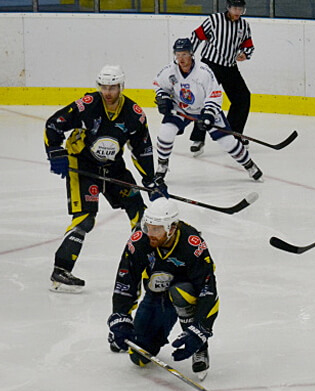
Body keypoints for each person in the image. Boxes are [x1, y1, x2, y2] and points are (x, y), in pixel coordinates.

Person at [44, 64, 163, 294]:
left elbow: (143, 148)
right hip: (83, 165)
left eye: (113, 87)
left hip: (114, 169)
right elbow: (54, 124)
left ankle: (145, 267)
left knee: (140, 211)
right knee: (86, 218)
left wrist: (151, 180)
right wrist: (55, 152)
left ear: (121, 86)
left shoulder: (134, 113)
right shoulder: (88, 104)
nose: (108, 92)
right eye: (104, 87)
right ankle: (61, 268)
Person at [107, 198, 219, 381]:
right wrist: (121, 317)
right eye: (148, 226)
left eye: (157, 229)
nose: (150, 233)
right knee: (139, 357)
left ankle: (200, 348)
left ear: (172, 228)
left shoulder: (192, 244)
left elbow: (208, 290)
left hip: (186, 295)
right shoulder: (140, 240)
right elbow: (126, 279)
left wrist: (200, 330)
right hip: (156, 296)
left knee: (181, 291)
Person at [153, 38, 262, 181]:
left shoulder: (204, 72)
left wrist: (208, 115)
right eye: (178, 55)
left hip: (204, 109)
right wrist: (163, 98)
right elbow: (159, 85)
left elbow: (215, 95)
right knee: (165, 133)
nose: (181, 59)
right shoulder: (169, 71)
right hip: (181, 108)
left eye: (184, 54)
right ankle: (162, 165)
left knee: (228, 141)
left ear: (192, 54)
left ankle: (249, 165)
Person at [187, 0, 254, 155]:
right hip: (210, 66)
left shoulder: (244, 26)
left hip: (230, 67)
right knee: (204, 100)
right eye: (235, 8)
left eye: (240, 9)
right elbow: (197, 36)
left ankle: (233, 134)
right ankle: (198, 138)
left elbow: (248, 44)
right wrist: (189, 57)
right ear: (228, 8)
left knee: (242, 98)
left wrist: (245, 53)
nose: (237, 12)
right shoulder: (214, 20)